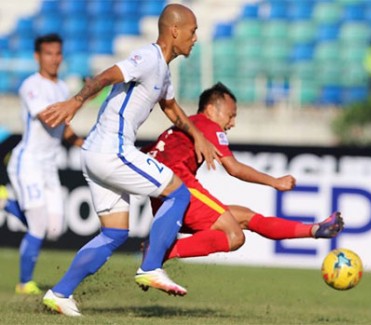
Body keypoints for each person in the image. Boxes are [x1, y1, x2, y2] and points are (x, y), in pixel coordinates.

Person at [40, 4, 220, 317]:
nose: (195, 38)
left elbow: (172, 108)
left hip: (95, 154)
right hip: (112, 150)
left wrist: (198, 136)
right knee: (178, 193)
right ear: (174, 31)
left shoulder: (163, 70)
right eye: (192, 31)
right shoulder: (148, 58)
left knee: (114, 233)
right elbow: (107, 75)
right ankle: (151, 266)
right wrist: (76, 101)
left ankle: (60, 293)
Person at [141, 82, 344, 265]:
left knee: (245, 217)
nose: (233, 123)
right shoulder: (206, 124)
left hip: (160, 194)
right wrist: (275, 181)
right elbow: (234, 168)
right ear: (211, 109)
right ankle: (160, 252)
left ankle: (315, 230)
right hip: (178, 185)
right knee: (234, 236)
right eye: (231, 115)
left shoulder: (178, 129)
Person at [5, 33, 84, 295]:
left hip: (49, 167)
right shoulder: (31, 85)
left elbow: (65, 129)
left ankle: (6, 202)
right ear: (37, 56)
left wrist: (86, 144)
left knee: (53, 229)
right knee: (37, 224)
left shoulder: (62, 88)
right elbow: (50, 118)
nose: (54, 59)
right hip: (28, 162)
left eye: (58, 53)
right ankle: (24, 283)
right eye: (49, 53)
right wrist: (83, 98)